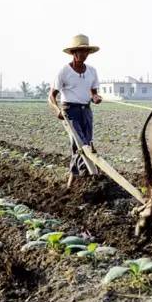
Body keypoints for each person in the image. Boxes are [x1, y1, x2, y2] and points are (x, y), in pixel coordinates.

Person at [48, 34, 103, 188]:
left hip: (86, 111)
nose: (83, 55)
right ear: (73, 53)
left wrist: (96, 98)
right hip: (69, 111)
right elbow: (51, 96)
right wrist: (57, 110)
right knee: (81, 144)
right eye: (80, 51)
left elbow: (93, 93)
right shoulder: (64, 71)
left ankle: (71, 184)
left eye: (86, 52)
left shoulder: (92, 71)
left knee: (84, 145)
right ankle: (92, 175)